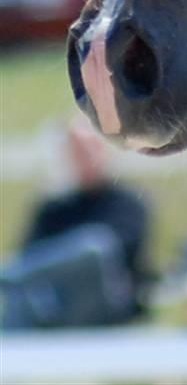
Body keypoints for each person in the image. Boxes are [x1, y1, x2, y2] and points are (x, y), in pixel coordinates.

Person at [2, 117, 151, 328]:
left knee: (94, 247)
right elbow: (30, 255)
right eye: (77, 150)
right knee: (22, 296)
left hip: (107, 302)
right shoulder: (53, 208)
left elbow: (116, 252)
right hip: (59, 303)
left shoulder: (128, 202)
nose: (85, 156)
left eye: (90, 147)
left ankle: (7, 275)